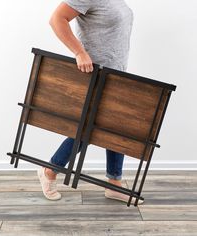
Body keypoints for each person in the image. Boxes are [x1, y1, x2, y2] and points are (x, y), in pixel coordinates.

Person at [37, 0, 144, 205]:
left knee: (116, 126)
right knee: (89, 129)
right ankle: (50, 170)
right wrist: (79, 52)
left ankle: (114, 183)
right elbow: (57, 19)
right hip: (95, 73)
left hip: (116, 73)